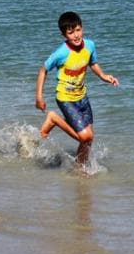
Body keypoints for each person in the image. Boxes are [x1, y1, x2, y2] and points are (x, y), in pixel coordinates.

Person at [35, 11, 119, 169]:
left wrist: (103, 76)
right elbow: (42, 70)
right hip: (65, 98)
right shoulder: (61, 53)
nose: (76, 35)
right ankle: (54, 119)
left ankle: (81, 169)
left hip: (82, 97)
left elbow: (92, 63)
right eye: (70, 32)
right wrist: (39, 97)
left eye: (78, 30)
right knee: (85, 136)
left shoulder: (90, 45)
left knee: (89, 140)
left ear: (83, 28)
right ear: (64, 35)